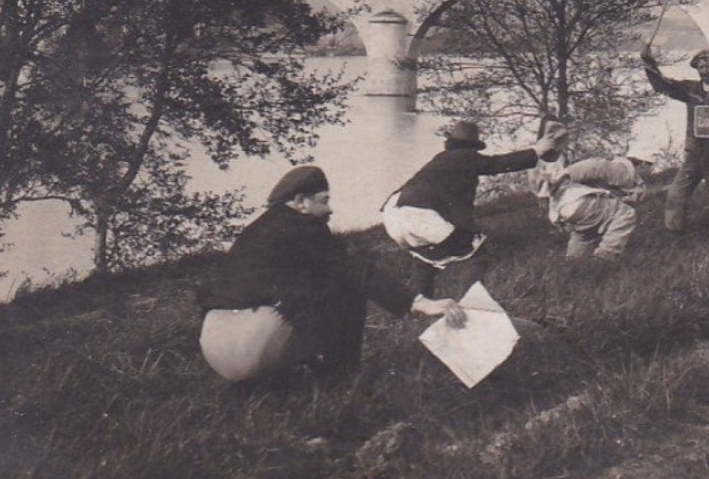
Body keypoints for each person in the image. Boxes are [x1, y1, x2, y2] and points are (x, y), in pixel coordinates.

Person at [199, 166, 466, 384]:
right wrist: (421, 303)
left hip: (214, 346)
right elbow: (356, 271)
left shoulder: (258, 229)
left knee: (307, 294)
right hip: (249, 350)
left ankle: (282, 378)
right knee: (347, 290)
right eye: (323, 201)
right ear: (300, 202)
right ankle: (340, 379)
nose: (329, 209)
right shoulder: (305, 229)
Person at [383, 119, 565, 296]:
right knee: (477, 253)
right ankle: (470, 306)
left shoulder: (442, 160)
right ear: (472, 147)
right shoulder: (463, 157)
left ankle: (418, 307)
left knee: (425, 254)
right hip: (418, 213)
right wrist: (536, 151)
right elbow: (498, 163)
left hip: (394, 214)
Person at [641, 44, 709, 234]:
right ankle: (675, 233)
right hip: (694, 156)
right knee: (675, 195)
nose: (705, 71)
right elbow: (662, 85)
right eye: (701, 67)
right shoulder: (691, 89)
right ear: (696, 69)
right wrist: (648, 62)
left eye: (708, 67)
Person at [536, 148, 653, 261]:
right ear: (642, 164)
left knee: (586, 232)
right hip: (579, 201)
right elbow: (595, 165)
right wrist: (565, 175)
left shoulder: (631, 180)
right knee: (626, 214)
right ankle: (605, 257)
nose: (651, 171)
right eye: (650, 166)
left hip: (568, 210)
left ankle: (574, 264)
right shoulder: (623, 170)